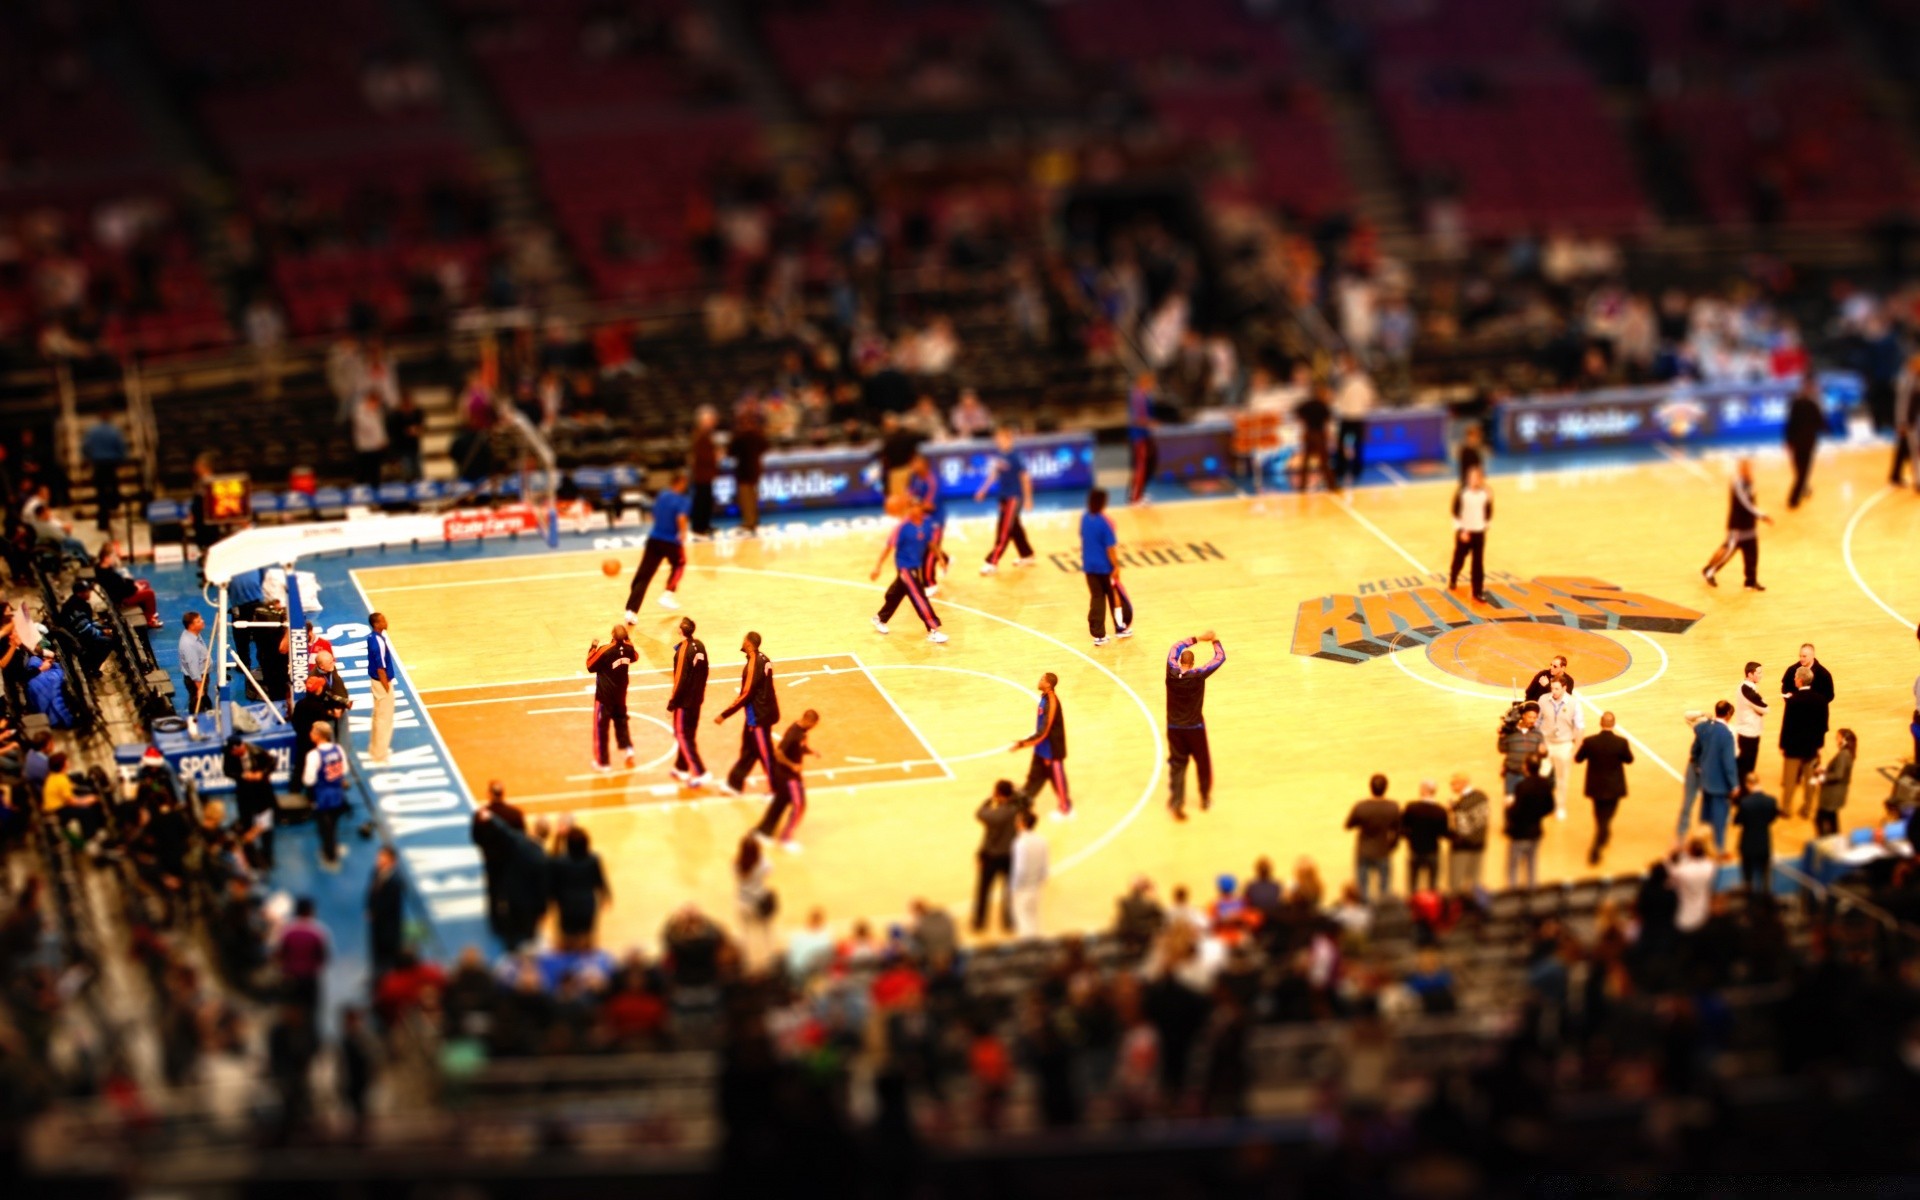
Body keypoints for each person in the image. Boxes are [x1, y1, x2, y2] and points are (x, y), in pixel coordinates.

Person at [869, 494, 947, 643]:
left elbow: (930, 543)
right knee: (919, 597)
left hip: (915, 566)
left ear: (921, 508)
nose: (914, 509)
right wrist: (877, 566)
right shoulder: (902, 528)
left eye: (917, 506)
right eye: (911, 506)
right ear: (908, 509)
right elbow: (889, 547)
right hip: (905, 567)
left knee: (896, 594)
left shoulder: (926, 523)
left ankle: (880, 618)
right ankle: (933, 630)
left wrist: (940, 557)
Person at [1165, 632, 1225, 820]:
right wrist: (1214, 641)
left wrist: (1197, 638)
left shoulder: (1171, 671)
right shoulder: (1198, 675)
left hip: (1174, 726)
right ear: (1192, 663)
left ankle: (1176, 801)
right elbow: (1220, 658)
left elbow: (1176, 646)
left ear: (1180, 661)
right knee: (1202, 763)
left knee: (1178, 763)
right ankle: (1205, 798)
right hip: (1194, 728)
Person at [715, 631, 779, 796]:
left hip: (758, 717)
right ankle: (734, 783)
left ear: (749, 644)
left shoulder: (753, 664)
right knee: (749, 751)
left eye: (744, 640)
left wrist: (725, 714)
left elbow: (746, 693)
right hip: (760, 714)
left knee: (765, 754)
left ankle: (777, 790)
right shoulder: (764, 659)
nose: (742, 642)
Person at [625, 473, 690, 620]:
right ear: (680, 483)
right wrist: (683, 532)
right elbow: (681, 518)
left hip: (654, 539)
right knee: (680, 563)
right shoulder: (682, 500)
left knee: (644, 575)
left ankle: (631, 611)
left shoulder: (662, 495)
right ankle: (668, 594)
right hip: (671, 541)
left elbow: (654, 514)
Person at [1700, 457, 1771, 591]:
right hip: (1738, 526)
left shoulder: (1750, 481)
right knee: (1727, 551)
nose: (1750, 470)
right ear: (1741, 469)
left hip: (1750, 525)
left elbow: (1752, 501)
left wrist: (1756, 517)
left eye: (1751, 467)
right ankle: (1709, 570)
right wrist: (1761, 514)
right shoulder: (1737, 483)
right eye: (1748, 467)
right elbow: (1745, 503)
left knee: (1752, 554)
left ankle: (1750, 581)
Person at [1575, 711, 1635, 865]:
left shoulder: (1590, 742)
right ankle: (1597, 846)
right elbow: (1629, 760)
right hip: (1614, 786)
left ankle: (1603, 835)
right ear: (1613, 724)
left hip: (1596, 786)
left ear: (1601, 723)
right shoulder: (1621, 742)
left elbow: (1578, 758)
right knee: (1606, 817)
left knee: (1600, 815)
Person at [1010, 672, 1070, 817]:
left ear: (1049, 684)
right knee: (1033, 779)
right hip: (1041, 749)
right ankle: (1020, 808)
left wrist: (1022, 744)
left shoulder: (1052, 702)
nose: (1039, 680)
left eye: (1042, 679)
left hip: (1051, 751)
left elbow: (1044, 732)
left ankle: (1065, 809)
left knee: (1058, 781)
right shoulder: (1044, 698)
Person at [975, 427, 1035, 573]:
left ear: (1009, 439)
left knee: (1004, 529)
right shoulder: (1000, 456)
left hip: (1013, 498)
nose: (998, 441)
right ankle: (1027, 554)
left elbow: (1025, 478)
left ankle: (992, 562)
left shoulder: (1016, 457)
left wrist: (1028, 499)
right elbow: (994, 474)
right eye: (997, 439)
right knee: (1014, 527)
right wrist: (983, 489)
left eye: (1000, 438)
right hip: (1003, 496)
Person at [757, 709, 818, 848]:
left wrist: (811, 751)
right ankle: (786, 838)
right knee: (799, 805)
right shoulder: (794, 734)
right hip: (789, 777)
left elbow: (799, 747)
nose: (813, 727)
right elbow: (778, 753)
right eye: (813, 724)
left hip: (785, 775)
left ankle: (763, 831)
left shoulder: (801, 731)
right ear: (808, 720)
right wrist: (793, 765)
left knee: (779, 804)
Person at [1079, 488, 1132, 646]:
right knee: (1114, 596)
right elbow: (1110, 548)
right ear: (1103, 502)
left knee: (1097, 598)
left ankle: (1098, 635)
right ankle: (1120, 628)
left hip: (1089, 567)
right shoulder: (1104, 523)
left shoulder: (1085, 518)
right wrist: (1116, 566)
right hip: (1105, 567)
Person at [549, 823, 612, 951]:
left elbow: (552, 868)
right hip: (587, 905)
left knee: (566, 940)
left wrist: (558, 839)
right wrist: (606, 895)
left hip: (567, 906)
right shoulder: (593, 859)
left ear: (568, 846)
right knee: (587, 939)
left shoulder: (561, 862)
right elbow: (600, 881)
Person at [1688, 700, 1740, 852]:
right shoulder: (1727, 734)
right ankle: (1719, 849)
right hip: (1719, 784)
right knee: (1719, 818)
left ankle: (1699, 846)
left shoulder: (1703, 728)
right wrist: (1734, 784)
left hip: (1705, 779)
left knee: (1705, 816)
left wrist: (1698, 766)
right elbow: (1728, 762)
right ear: (1729, 714)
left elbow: (1694, 750)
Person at [1779, 665, 1830, 820]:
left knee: (1789, 781)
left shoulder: (1793, 701)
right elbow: (1823, 726)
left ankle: (1786, 809)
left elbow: (1787, 726)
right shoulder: (1821, 700)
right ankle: (1808, 809)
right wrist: (1820, 745)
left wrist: (1783, 745)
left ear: (1800, 681)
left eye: (1795, 677)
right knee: (1811, 781)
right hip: (1812, 748)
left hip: (1793, 747)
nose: (1794, 679)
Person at [586, 625, 638, 771]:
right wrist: (626, 640)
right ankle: (628, 748)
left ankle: (603, 762)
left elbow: (590, 665)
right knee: (621, 720)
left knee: (601, 727)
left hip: (605, 696)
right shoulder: (629, 649)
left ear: (612, 635)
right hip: (620, 693)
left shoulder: (605, 650)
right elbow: (635, 656)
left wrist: (593, 647)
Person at [223, 735, 278, 869]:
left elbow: (272, 763)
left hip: (262, 793)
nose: (233, 754)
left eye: (235, 752)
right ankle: (250, 856)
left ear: (240, 748)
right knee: (246, 823)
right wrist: (242, 776)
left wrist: (262, 774)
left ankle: (268, 856)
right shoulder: (229, 755)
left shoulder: (257, 751)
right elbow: (227, 771)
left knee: (266, 827)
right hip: (244, 794)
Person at [667, 617, 710, 786]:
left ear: (681, 631)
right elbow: (706, 671)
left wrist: (672, 703)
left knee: (681, 735)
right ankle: (681, 767)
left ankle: (700, 772)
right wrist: (700, 691)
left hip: (684, 703)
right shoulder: (700, 645)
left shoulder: (683, 651)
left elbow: (679, 680)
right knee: (689, 734)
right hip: (697, 699)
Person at [302, 721, 351, 870]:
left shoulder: (314, 755)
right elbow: (345, 770)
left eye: (312, 731)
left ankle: (330, 857)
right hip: (338, 794)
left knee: (325, 827)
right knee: (334, 824)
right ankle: (334, 847)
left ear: (318, 735)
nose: (310, 734)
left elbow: (308, 779)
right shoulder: (338, 749)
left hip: (323, 796)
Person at [973, 781, 1020, 934]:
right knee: (1009, 890)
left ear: (998, 794)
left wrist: (988, 800)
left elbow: (980, 813)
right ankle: (1008, 920)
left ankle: (980, 922)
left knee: (984, 890)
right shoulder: (1016, 810)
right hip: (1010, 856)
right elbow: (1026, 801)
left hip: (992, 856)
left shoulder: (996, 815)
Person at [1344, 774, 1400, 902]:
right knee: (1385, 890)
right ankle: (1383, 918)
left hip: (1364, 851)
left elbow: (1348, 825)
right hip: (1383, 851)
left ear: (1370, 787)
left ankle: (1366, 916)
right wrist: (1391, 846)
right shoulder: (1393, 807)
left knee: (1363, 890)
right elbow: (1398, 831)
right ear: (1386, 788)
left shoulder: (1361, 806)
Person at [1504, 754, 1556, 889]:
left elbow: (1517, 811)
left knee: (1513, 866)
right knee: (1532, 865)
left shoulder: (1522, 786)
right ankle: (1532, 894)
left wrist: (1508, 809)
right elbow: (1550, 807)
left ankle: (1512, 895)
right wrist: (1537, 814)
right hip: (1536, 830)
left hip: (1521, 832)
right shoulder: (1545, 784)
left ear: (1526, 767)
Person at [1537, 679, 1583, 819]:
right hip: (1546, 743)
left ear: (1564, 688)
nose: (1554, 692)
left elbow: (1579, 727)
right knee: (1541, 777)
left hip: (1564, 745)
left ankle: (1560, 807)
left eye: (1557, 689)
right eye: (1552, 688)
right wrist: (1538, 742)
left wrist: (1576, 749)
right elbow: (1538, 722)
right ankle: (1541, 805)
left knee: (1562, 779)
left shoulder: (1574, 703)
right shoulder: (1543, 699)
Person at [1331, 352, 1376, 491]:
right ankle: (1341, 469)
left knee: (1358, 445)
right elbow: (1338, 398)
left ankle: (1356, 469)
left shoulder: (1362, 380)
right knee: (1341, 445)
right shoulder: (1342, 381)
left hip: (1357, 417)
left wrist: (1363, 407)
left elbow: (1370, 397)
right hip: (1345, 417)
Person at [905, 453, 949, 593]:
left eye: (915, 463)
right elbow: (910, 495)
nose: (913, 466)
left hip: (935, 519)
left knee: (929, 551)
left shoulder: (932, 480)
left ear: (924, 464)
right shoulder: (914, 477)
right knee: (924, 546)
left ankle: (930, 583)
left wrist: (913, 505)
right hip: (922, 518)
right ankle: (946, 559)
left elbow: (930, 505)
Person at [1447, 465, 1492, 603]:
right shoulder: (1463, 494)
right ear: (1468, 479)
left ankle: (1477, 591)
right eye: (1472, 477)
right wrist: (1461, 530)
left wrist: (1485, 526)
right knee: (1459, 559)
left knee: (1478, 563)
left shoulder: (1485, 494)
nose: (1474, 480)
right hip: (1465, 533)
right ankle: (1453, 577)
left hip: (1479, 532)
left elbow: (1488, 512)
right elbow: (1455, 513)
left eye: (1477, 477)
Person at [1733, 774, 1780, 895]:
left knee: (1747, 878)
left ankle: (1749, 899)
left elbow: (1737, 821)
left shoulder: (1745, 803)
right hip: (1764, 843)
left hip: (1748, 844)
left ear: (1748, 784)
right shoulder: (1771, 801)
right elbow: (1773, 818)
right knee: (1765, 877)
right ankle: (1765, 901)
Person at [1401, 782, 1451, 893]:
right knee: (1433, 885)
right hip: (1433, 850)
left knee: (1412, 885)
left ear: (1423, 790)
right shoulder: (1440, 811)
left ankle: (1413, 906)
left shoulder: (1411, 808)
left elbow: (1402, 829)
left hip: (1415, 849)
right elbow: (1444, 833)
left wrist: (1411, 837)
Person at [365, 844, 405, 981]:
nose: (378, 860)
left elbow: (390, 905)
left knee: (388, 955)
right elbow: (370, 893)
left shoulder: (395, 881)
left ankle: (389, 980)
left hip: (389, 926)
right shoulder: (375, 873)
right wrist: (369, 909)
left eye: (382, 857)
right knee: (376, 952)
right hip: (376, 923)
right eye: (378, 856)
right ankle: (376, 977)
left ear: (392, 861)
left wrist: (377, 912)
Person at [734, 835, 774, 968]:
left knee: (745, 932)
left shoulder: (736, 864)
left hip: (743, 902)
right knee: (765, 930)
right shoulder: (763, 863)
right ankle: (770, 959)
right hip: (759, 901)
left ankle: (745, 961)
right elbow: (771, 871)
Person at [81, 414, 127, 531]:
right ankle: (113, 504)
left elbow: (85, 447)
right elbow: (121, 447)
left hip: (98, 464)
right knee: (112, 488)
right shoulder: (114, 431)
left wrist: (88, 458)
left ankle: (102, 522)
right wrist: (121, 459)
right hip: (111, 464)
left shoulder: (92, 432)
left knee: (101, 494)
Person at [1784, 376, 1824, 509]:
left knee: (1799, 469)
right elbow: (1821, 424)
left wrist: (1788, 440)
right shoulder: (1813, 405)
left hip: (1796, 442)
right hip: (1807, 442)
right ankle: (1793, 499)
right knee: (1803, 471)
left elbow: (1790, 424)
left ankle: (1803, 488)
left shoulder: (1795, 404)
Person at [1447, 773, 1489, 896]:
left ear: (1463, 783)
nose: (1452, 787)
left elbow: (1462, 829)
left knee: (1456, 884)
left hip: (1463, 847)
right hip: (1480, 843)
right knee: (1475, 880)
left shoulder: (1462, 805)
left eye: (1454, 784)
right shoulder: (1482, 796)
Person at [1010, 809, 1048, 938]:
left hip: (1023, 887)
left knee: (1022, 918)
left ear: (1022, 824)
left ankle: (1028, 947)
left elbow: (1019, 868)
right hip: (1036, 886)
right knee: (1034, 916)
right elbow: (1045, 867)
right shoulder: (1042, 840)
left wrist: (1014, 887)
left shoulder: (1020, 843)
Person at [731, 410, 768, 534]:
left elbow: (731, 451)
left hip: (743, 471)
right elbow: (766, 447)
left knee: (746, 499)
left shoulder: (740, 437)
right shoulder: (758, 435)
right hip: (755, 470)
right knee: (753, 497)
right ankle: (755, 519)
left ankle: (749, 522)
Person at [1668, 839, 1717, 934]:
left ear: (1690, 853)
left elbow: (1668, 868)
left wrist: (1673, 851)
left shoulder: (1681, 871)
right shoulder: (1710, 867)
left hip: (1683, 920)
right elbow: (1705, 859)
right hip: (1703, 916)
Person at [1813, 728, 1856, 837]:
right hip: (1837, 793)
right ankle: (1835, 840)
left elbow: (1838, 774)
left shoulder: (1843, 755)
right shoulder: (1846, 753)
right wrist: (1825, 769)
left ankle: (1825, 842)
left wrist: (1822, 778)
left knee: (1820, 819)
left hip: (1833, 794)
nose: (1836, 740)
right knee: (1832, 819)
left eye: (1838, 738)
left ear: (1844, 740)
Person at [366, 612, 395, 765]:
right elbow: (381, 669)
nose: (386, 622)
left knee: (378, 716)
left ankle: (374, 749)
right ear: (376, 624)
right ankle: (380, 755)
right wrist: (387, 687)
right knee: (385, 719)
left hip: (375, 682)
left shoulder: (372, 638)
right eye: (383, 620)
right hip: (382, 682)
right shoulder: (379, 642)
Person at [1126, 371, 1158, 505]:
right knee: (1141, 466)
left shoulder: (1140, 395)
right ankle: (1135, 498)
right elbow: (1138, 419)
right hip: (1138, 436)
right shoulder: (1139, 396)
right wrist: (1153, 423)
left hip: (1142, 435)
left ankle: (1137, 493)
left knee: (1143, 466)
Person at [1498, 702, 1543, 797]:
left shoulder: (1538, 734)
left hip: (1530, 777)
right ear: (1523, 716)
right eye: (1530, 717)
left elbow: (1541, 754)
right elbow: (1502, 748)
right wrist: (1501, 737)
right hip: (1512, 774)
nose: (1533, 720)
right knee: (1511, 804)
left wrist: (1543, 752)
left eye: (1535, 718)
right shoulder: (1511, 732)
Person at [1734, 660, 1769, 779]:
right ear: (1750, 674)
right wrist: (1761, 707)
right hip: (1749, 733)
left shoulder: (1743, 687)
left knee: (1744, 766)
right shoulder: (1748, 691)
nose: (1761, 675)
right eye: (1758, 673)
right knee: (1746, 768)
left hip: (1747, 731)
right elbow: (1765, 708)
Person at [688, 406, 718, 536]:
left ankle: (705, 524)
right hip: (702, 474)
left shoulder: (705, 435)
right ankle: (698, 526)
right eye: (711, 420)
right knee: (701, 501)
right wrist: (716, 456)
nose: (714, 422)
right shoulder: (701, 436)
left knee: (706, 501)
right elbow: (701, 456)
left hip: (706, 474)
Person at [352, 390, 390, 486]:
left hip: (375, 447)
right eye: (376, 402)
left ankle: (375, 491)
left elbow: (380, 427)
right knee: (362, 472)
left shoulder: (377, 411)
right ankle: (359, 491)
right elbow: (366, 428)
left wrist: (383, 439)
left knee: (375, 471)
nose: (377, 405)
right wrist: (378, 439)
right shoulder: (359, 411)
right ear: (370, 401)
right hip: (364, 447)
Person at [178, 611, 211, 717]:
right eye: (198, 621)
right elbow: (193, 668)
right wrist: (199, 686)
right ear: (191, 626)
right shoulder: (189, 644)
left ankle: (207, 708)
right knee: (197, 702)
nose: (202, 622)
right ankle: (198, 720)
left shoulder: (193, 634)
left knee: (202, 698)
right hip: (196, 679)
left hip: (202, 674)